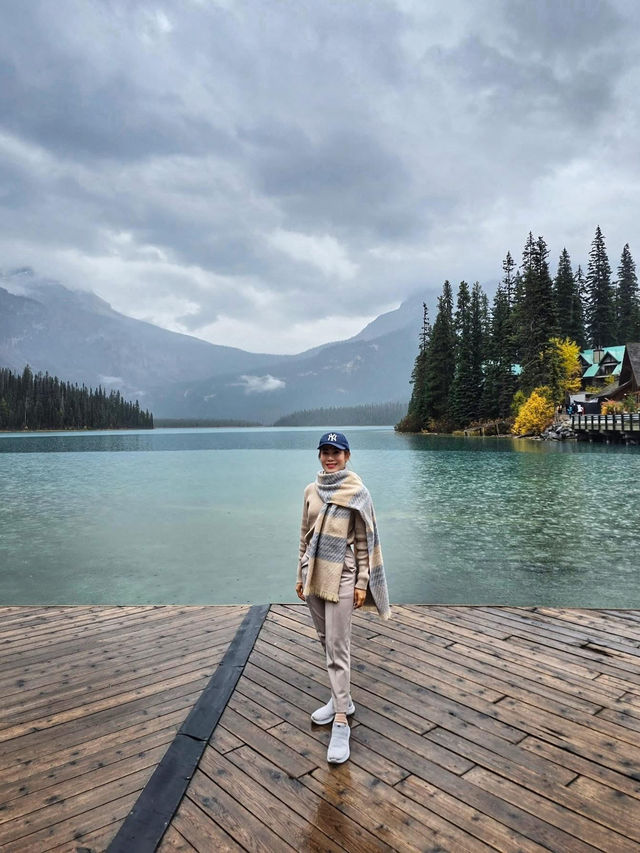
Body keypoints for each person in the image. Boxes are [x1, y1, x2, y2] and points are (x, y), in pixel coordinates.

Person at [296, 431, 390, 764]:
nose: (330, 457)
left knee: (338, 645)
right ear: (319, 456)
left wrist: (363, 583)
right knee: (326, 640)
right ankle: (342, 700)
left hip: (345, 575)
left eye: (336, 452)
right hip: (314, 573)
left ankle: (340, 722)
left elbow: (365, 542)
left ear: (347, 456)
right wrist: (299, 575)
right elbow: (304, 537)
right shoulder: (311, 490)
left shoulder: (357, 493)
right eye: (325, 452)